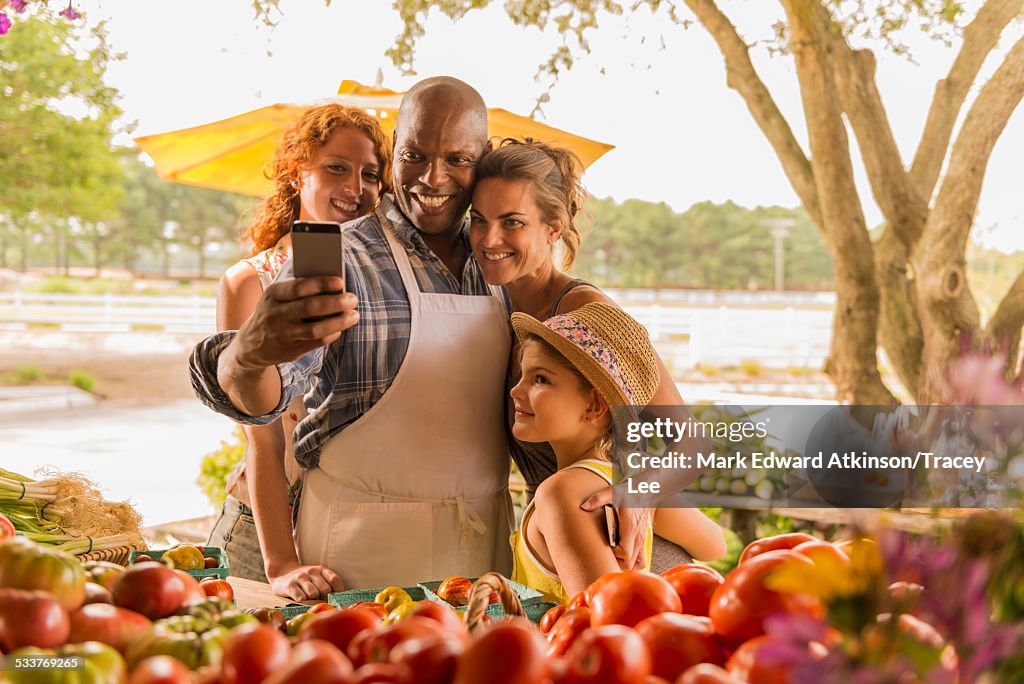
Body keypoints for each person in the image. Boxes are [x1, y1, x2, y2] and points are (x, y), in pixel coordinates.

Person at [190, 77, 514, 593]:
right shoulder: (334, 255)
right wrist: (246, 359)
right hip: (355, 565)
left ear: (486, 157)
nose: (433, 178)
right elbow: (266, 404)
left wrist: (644, 492)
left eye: (457, 159)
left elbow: (620, 368)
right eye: (414, 155)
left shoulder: (507, 260)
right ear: (395, 156)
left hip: (483, 561)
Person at [470, 138, 720, 572]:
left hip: (626, 549)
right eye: (479, 220)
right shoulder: (494, 306)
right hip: (557, 547)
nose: (489, 239)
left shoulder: (587, 315)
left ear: (553, 228)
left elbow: (693, 445)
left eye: (512, 222)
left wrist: (638, 493)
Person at [206, 104, 391, 598]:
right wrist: (281, 561)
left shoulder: (391, 278)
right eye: (337, 167)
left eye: (371, 174)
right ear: (296, 173)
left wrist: (629, 493)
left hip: (346, 522)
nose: (356, 187)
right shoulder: (250, 281)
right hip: (264, 526)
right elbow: (260, 438)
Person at [509, 303, 725, 602]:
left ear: (595, 406)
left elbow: (603, 619)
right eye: (522, 375)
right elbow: (715, 545)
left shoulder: (563, 492)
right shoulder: (631, 484)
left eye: (541, 379)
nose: (516, 391)